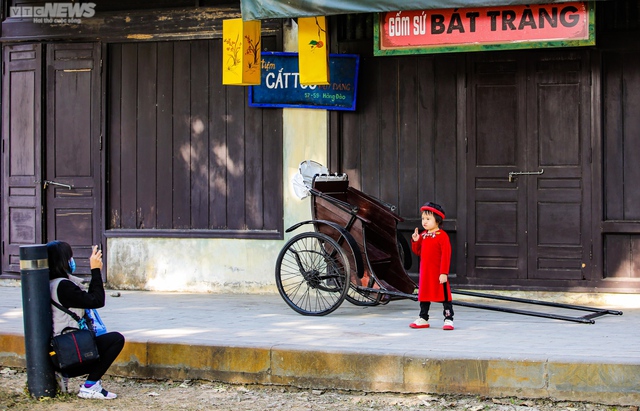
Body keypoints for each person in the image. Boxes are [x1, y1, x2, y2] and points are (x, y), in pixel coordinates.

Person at [47, 241, 125, 399]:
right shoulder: (63, 287)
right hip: (69, 357)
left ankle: (71, 379)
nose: (72, 261)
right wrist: (96, 270)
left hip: (59, 353)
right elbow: (96, 300)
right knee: (115, 340)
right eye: (70, 258)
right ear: (64, 261)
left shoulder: (52, 284)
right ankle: (90, 386)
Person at [409, 202, 454, 331]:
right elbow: (418, 252)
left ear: (438, 220)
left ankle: (448, 318)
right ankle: (423, 318)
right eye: (423, 218)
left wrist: (444, 273)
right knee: (424, 295)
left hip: (438, 272)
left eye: (428, 219)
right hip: (426, 272)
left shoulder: (442, 236)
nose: (424, 222)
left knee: (445, 296)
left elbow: (446, 255)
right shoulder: (423, 235)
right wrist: (416, 241)